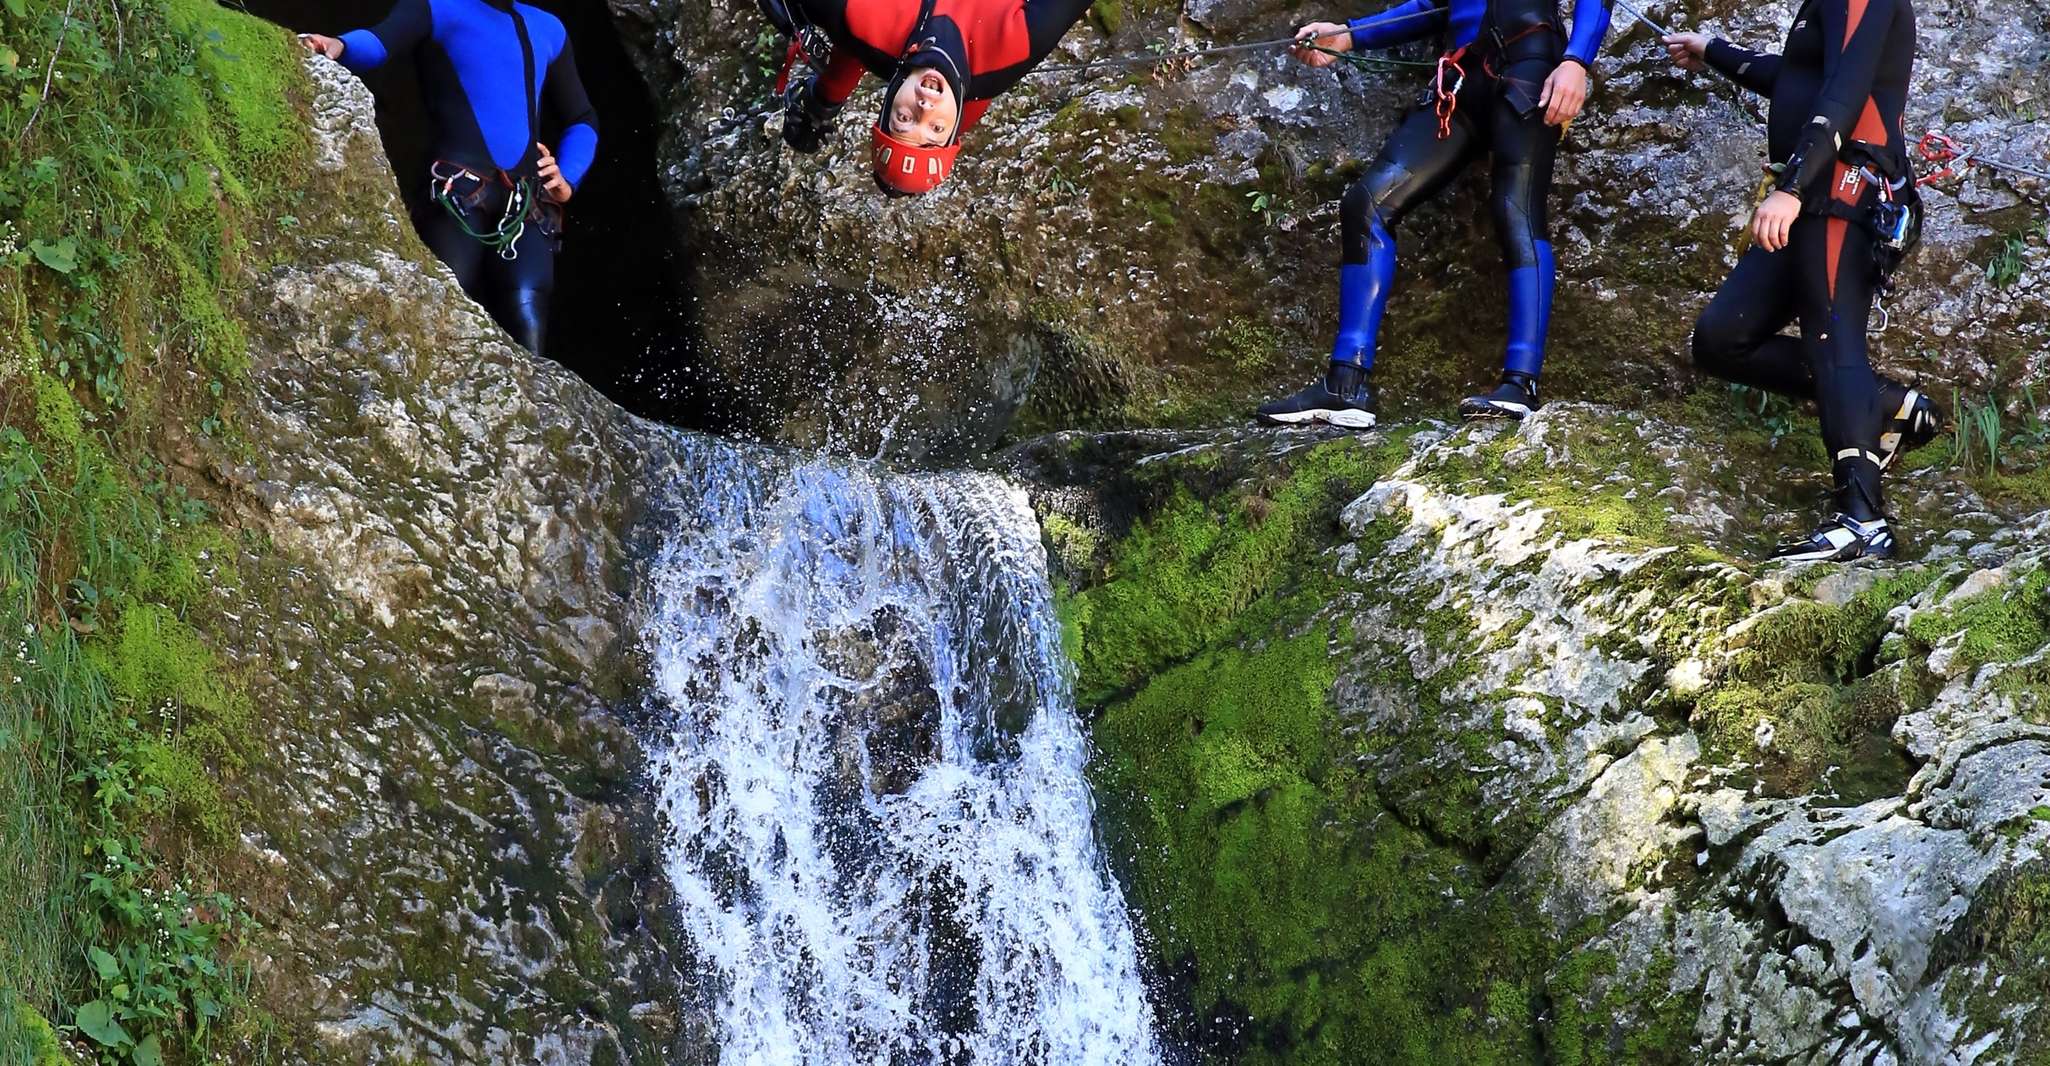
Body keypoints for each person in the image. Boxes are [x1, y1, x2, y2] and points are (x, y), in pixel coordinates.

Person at [1664, 0, 1938, 561]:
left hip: (1844, 192)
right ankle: (1888, 404)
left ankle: (1862, 519)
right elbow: (1800, 78)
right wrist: (1714, 51)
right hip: (1813, 192)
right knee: (1721, 339)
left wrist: (1790, 189)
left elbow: (1846, 89)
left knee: (1833, 340)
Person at [1254, 0, 1611, 429]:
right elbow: (1435, 5)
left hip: (1530, 66)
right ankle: (1346, 384)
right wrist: (1348, 34)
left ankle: (1521, 385)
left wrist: (1576, 61)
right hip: (1459, 83)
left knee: (1516, 210)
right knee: (1365, 204)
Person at [299, 0, 599, 358]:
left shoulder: (548, 27)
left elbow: (582, 117)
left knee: (528, 319)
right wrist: (338, 44)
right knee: (444, 313)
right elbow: (379, 43)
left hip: (526, 205)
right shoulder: (438, 7)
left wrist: (567, 178)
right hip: (456, 192)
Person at [760, 0, 1093, 195]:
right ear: (954, 125)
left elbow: (858, 41)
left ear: (890, 99)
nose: (925, 108)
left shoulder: (855, 17)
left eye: (904, 120)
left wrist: (823, 99)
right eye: (935, 130)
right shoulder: (1009, 50)